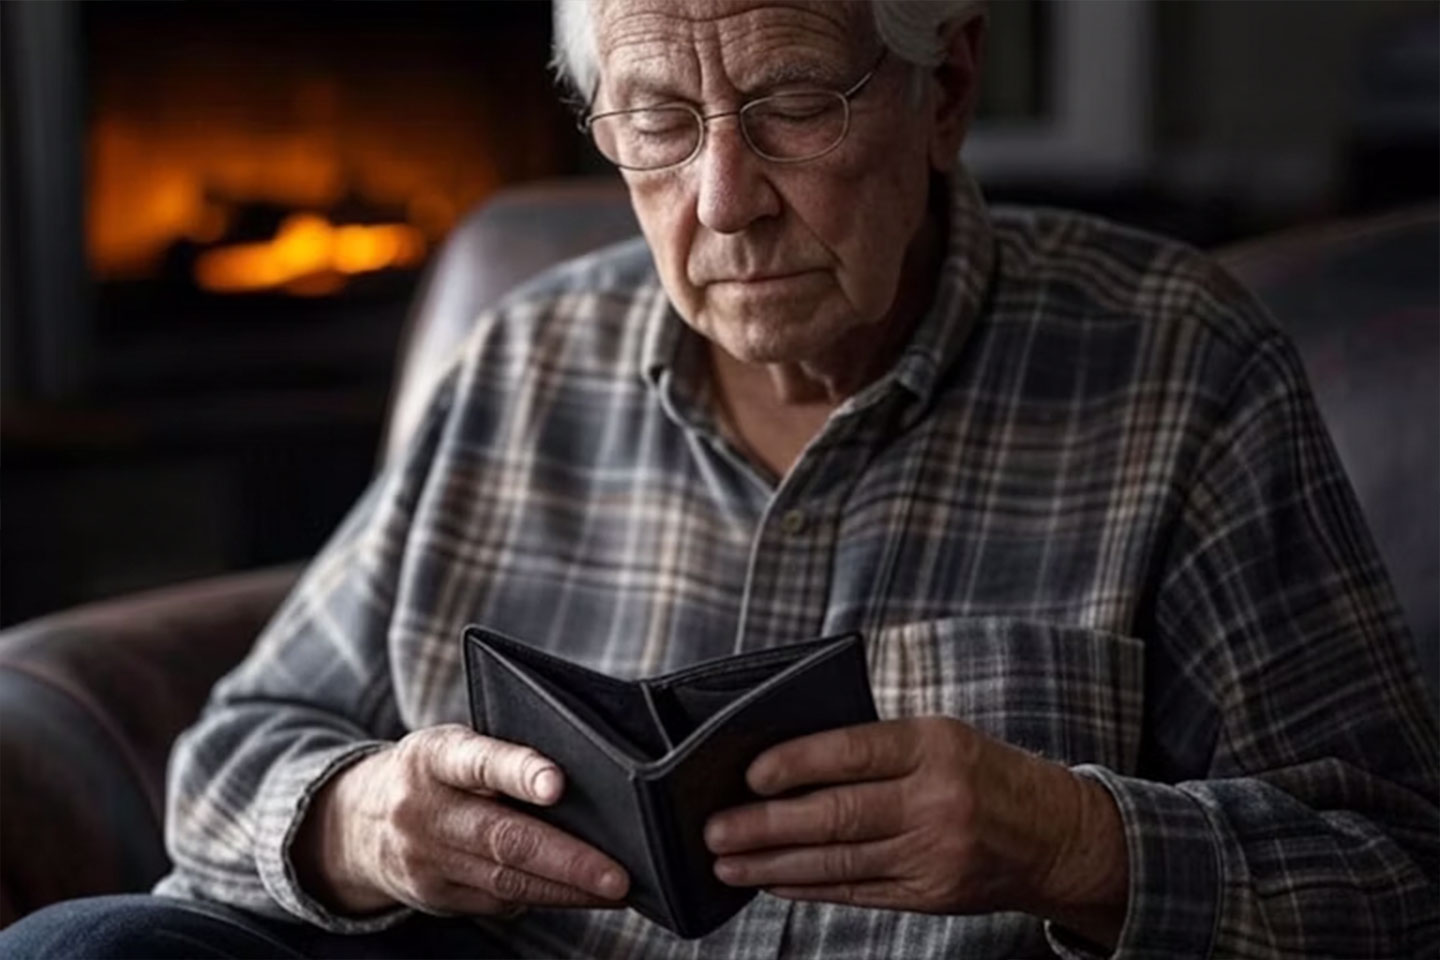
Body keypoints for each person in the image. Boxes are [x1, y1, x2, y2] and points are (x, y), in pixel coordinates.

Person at [5, 1, 1437, 957]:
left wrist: (1073, 844)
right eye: (657, 121)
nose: (725, 201)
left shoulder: (1177, 362)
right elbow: (234, 756)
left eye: (795, 104)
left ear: (945, 90)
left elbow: (1395, 877)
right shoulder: (526, 362)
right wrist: (362, 822)